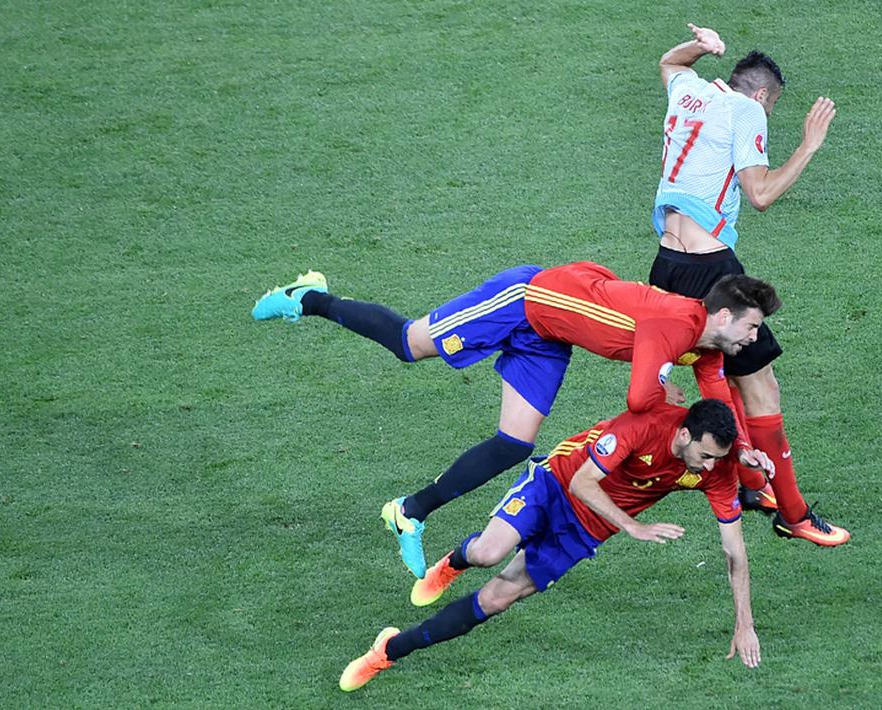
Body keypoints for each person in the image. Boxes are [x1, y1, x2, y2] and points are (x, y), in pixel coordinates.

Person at [251, 262, 777, 577]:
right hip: (527, 301)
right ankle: (310, 298)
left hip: (552, 335)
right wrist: (665, 386)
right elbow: (641, 399)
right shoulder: (673, 325)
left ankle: (409, 512)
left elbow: (716, 403)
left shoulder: (707, 347)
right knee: (409, 345)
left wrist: (745, 446)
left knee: (514, 443)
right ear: (724, 316)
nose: (755, 340)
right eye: (752, 327)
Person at [338, 398, 763, 692]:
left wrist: (744, 623)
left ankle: (389, 649)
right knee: (487, 553)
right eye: (706, 455)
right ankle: (454, 561)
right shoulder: (643, 427)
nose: (710, 467)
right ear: (685, 434)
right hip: (557, 483)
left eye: (717, 459)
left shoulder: (716, 471)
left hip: (585, 531)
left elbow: (734, 551)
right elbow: (582, 482)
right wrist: (633, 526)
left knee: (495, 600)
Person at [651, 23, 849, 546]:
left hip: (665, 266)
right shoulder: (746, 111)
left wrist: (702, 47)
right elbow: (759, 193)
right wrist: (808, 146)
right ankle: (795, 514)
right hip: (712, 268)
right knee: (761, 388)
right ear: (761, 94)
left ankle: (748, 482)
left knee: (716, 373)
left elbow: (671, 63)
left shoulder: (690, 89)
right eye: (772, 106)